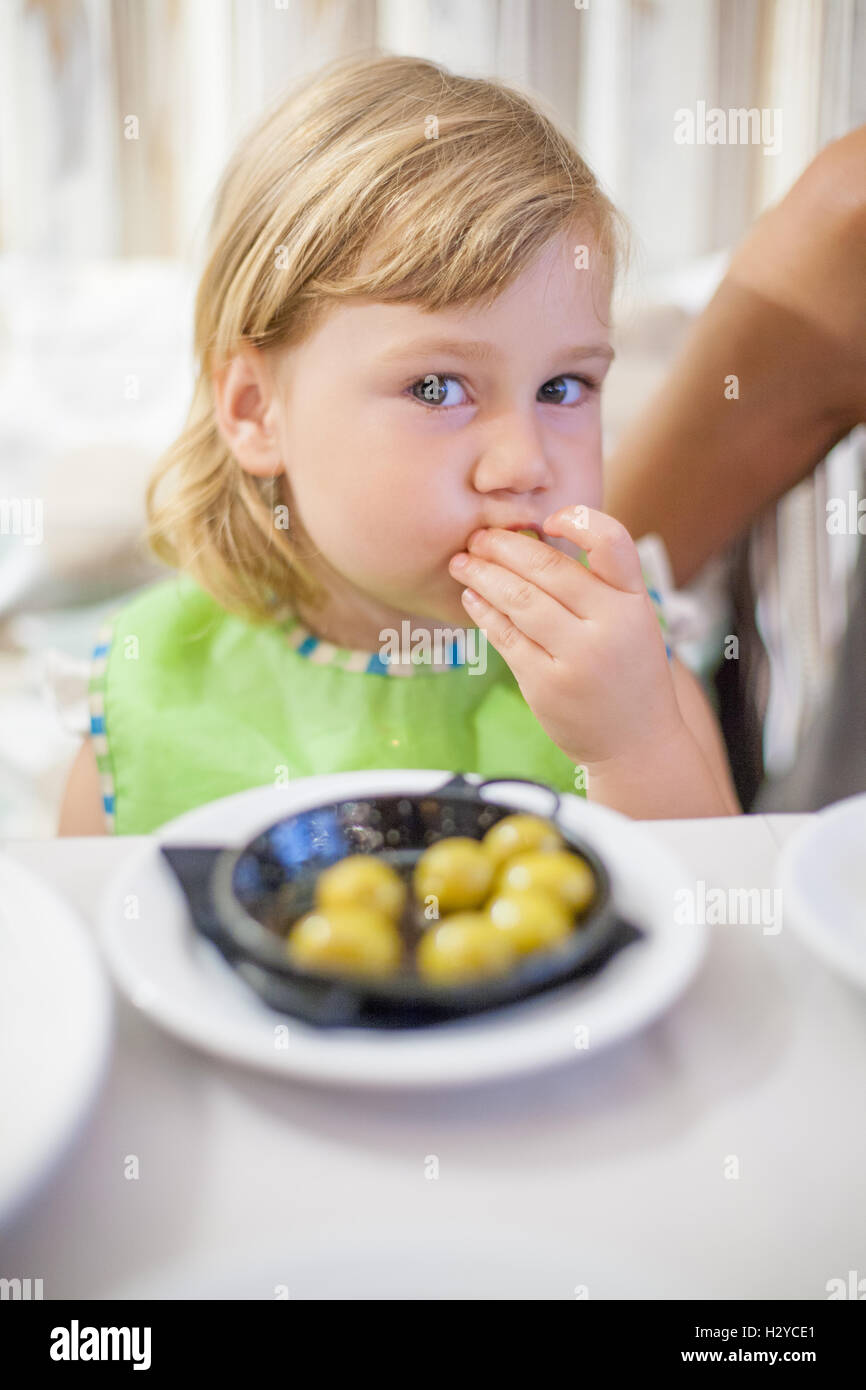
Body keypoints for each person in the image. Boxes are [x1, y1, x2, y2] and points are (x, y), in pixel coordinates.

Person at [58, 50, 740, 836]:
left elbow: (714, 910)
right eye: (437, 389)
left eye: (562, 388)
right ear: (255, 412)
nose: (524, 465)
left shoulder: (625, 657)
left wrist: (634, 747)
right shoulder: (147, 684)